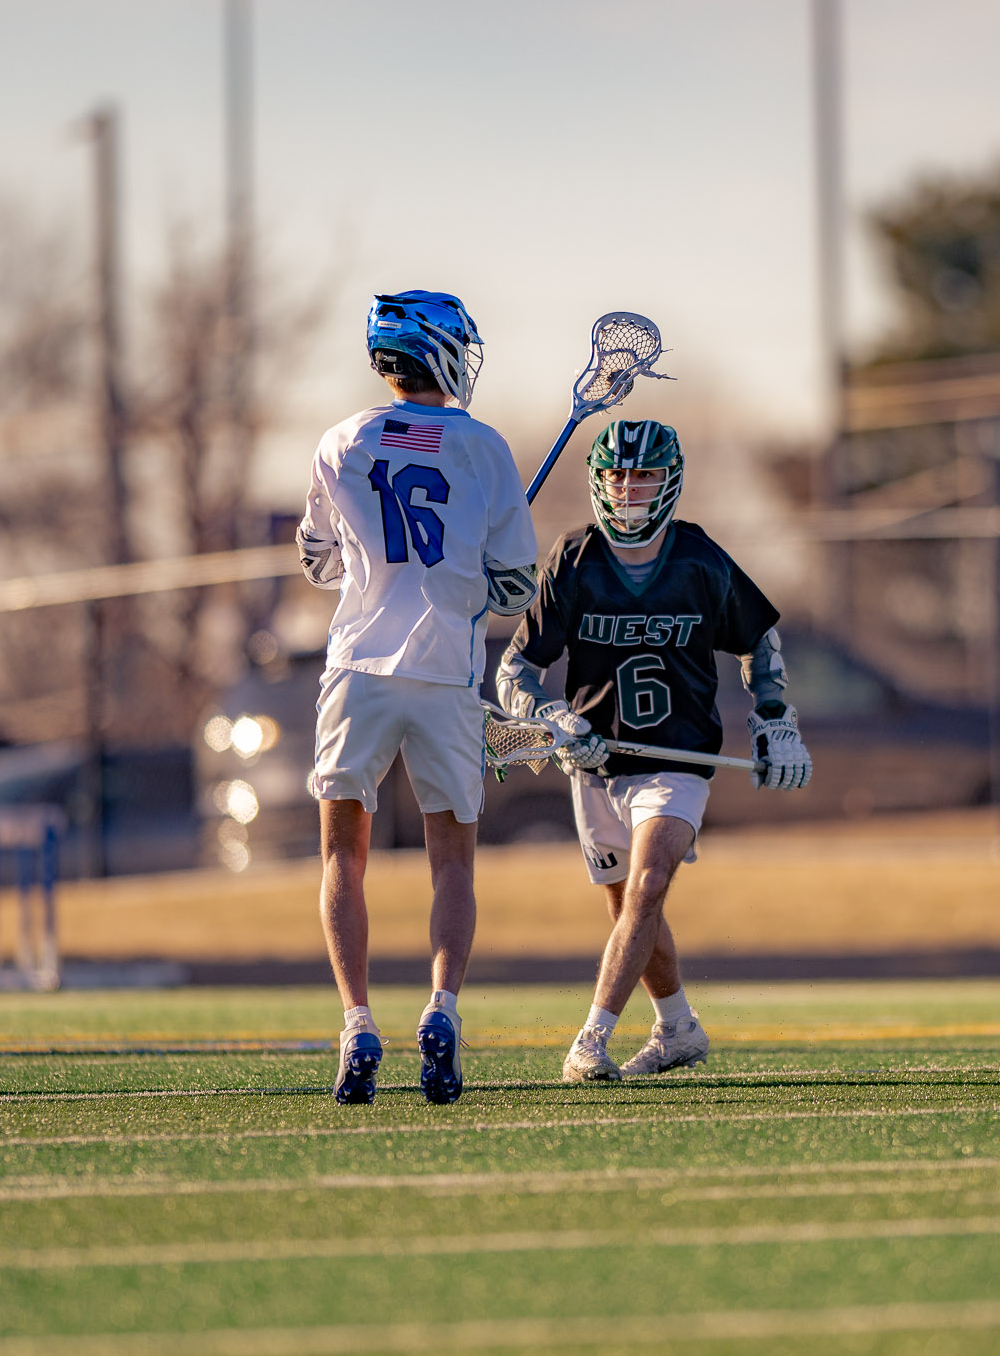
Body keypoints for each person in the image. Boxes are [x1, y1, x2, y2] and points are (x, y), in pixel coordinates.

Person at [497, 419, 811, 1083]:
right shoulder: (574, 559)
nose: (628, 491)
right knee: (630, 912)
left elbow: (760, 639)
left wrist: (775, 720)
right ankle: (678, 1028)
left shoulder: (697, 559)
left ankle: (591, 1038)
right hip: (595, 764)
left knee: (647, 886)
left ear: (669, 482)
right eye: (616, 476)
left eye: (641, 476)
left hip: (678, 758)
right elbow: (514, 671)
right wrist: (550, 715)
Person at [297, 290, 538, 1106]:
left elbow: (319, 560)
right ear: (441, 352)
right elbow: (513, 585)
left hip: (356, 669)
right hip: (445, 675)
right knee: (452, 862)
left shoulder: (340, 440)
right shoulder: (484, 448)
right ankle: (442, 1007)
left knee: (344, 857)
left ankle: (357, 1020)